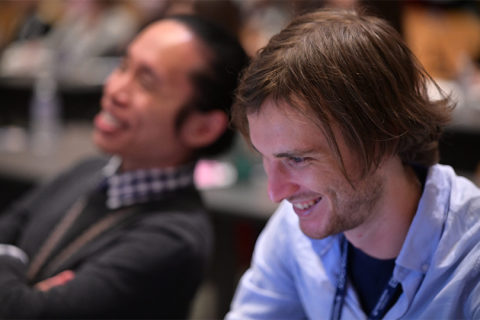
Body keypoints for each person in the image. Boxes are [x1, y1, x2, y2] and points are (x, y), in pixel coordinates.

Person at [226, 7, 480, 320]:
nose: (275, 192)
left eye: (296, 159)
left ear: (383, 136)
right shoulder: (292, 229)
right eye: (265, 158)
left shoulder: (470, 258)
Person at [0, 14, 247, 320]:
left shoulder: (172, 239)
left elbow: (23, 314)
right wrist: (16, 278)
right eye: (122, 66)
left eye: (146, 82)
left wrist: (15, 277)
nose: (114, 89)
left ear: (203, 127)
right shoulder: (90, 170)